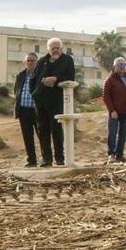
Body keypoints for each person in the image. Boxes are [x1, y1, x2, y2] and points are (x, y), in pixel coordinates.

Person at [34, 37, 76, 166]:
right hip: (41, 99)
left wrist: (56, 79)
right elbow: (36, 78)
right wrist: (41, 84)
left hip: (57, 99)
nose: (55, 50)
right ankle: (46, 158)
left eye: (57, 48)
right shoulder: (42, 61)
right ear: (49, 49)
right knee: (43, 130)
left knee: (56, 130)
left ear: (61, 48)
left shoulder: (67, 60)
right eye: (53, 48)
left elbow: (70, 76)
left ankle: (59, 158)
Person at [101, 58, 126, 162]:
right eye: (119, 64)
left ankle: (119, 155)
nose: (122, 66)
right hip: (115, 112)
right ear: (114, 66)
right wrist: (112, 110)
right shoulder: (109, 79)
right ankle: (111, 154)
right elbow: (105, 97)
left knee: (123, 135)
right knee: (112, 133)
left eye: (123, 64)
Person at [12, 51, 42, 166]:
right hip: (23, 110)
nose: (30, 62)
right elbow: (16, 90)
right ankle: (31, 161)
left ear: (36, 62)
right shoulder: (20, 75)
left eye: (32, 60)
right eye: (28, 60)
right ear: (25, 62)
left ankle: (46, 159)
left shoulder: (40, 74)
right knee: (27, 137)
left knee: (42, 136)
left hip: (37, 110)